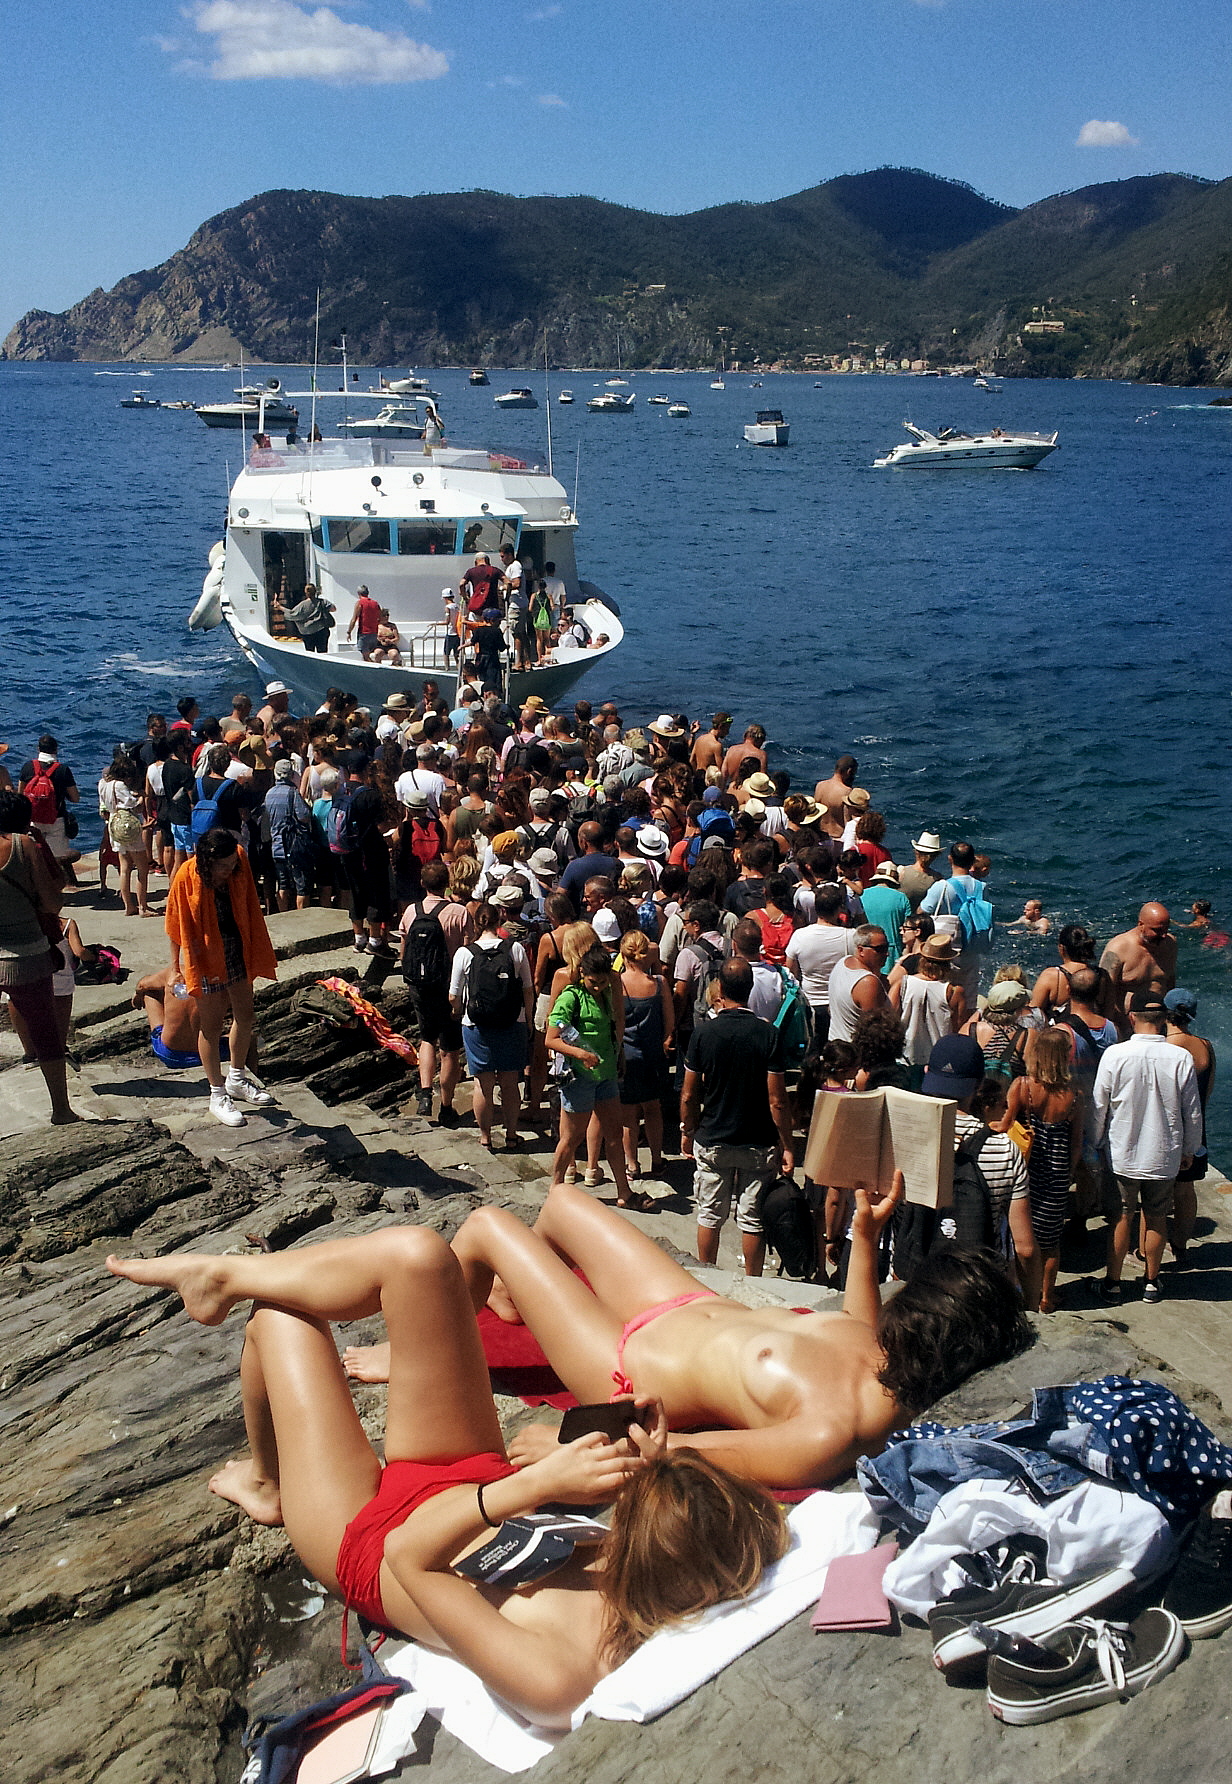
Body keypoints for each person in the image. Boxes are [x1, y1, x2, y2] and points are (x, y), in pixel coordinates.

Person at [106, 1229, 787, 1726]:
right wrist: (626, 1466)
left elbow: (414, 1558)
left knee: (282, 1321)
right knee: (421, 1258)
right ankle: (223, 1273)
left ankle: (267, 1484)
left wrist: (535, 1487)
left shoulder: (563, 1676)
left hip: (373, 1542)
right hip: (471, 1479)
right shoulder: (676, 1552)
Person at [343, 1177, 1033, 1488]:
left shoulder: (834, 1429)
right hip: (681, 1302)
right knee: (559, 1205)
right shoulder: (884, 1350)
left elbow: (685, 1453)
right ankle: (514, 1300)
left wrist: (570, 1441)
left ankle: (420, 1362)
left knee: (487, 1227)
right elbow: (856, 1323)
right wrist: (862, 1236)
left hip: (624, 1362)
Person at [681, 957, 794, 1278]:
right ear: (751, 988)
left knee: (709, 1215)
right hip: (757, 1140)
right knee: (752, 1219)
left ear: (721, 989)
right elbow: (778, 1101)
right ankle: (754, 1283)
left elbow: (689, 1094)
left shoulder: (704, 1034)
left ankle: (708, 1278)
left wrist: (687, 1130)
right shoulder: (768, 1035)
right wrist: (787, 1145)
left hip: (713, 1136)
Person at [1091, 988, 1203, 1306]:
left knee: (1121, 1216)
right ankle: (1152, 1282)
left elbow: (1100, 1105)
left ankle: (1112, 1284)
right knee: (1155, 1217)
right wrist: (1190, 1149)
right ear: (1164, 1018)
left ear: (1132, 1017)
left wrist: (1096, 1140)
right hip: (1164, 1153)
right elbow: (1191, 1111)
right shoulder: (1180, 1057)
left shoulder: (1115, 1054)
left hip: (1122, 1152)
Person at [163, 828, 278, 1128]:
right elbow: (175, 925)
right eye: (223, 866)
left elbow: (250, 903)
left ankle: (237, 1078)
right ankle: (217, 1092)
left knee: (246, 1014)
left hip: (238, 946)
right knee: (211, 1026)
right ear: (207, 861)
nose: (230, 870)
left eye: (232, 865)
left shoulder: (238, 859)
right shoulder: (186, 877)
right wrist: (175, 966)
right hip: (205, 956)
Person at [920, 1035, 1040, 1309]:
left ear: (928, 1073)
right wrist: (1032, 1305)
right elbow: (1025, 1248)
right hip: (977, 1286)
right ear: (977, 1084)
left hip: (916, 1288)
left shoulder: (908, 1135)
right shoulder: (1004, 1149)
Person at [0, 789, 79, 1124]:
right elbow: (53, 903)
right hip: (26, 954)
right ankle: (61, 1110)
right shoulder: (23, 846)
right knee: (46, 1033)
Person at [547, 942, 638, 1208]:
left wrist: (619, 1054)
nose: (598, 987)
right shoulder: (571, 996)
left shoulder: (609, 992)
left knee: (613, 1134)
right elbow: (551, 1040)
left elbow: (615, 1027)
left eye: (602, 982)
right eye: (592, 982)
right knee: (572, 1137)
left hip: (607, 1073)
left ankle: (624, 1191)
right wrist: (580, 1054)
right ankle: (555, 1188)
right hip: (580, 1078)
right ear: (583, 974)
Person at [999, 1029, 1083, 1314]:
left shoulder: (1023, 1087)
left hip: (1026, 1169)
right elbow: (1076, 1144)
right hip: (1057, 1171)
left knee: (1018, 1236)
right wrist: (1069, 1173)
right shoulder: (1074, 1095)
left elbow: (1004, 1123)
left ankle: (1018, 1290)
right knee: (1049, 1241)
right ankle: (1046, 1297)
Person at [449, 901, 533, 1151]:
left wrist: (457, 1013)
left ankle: (485, 1137)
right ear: (500, 921)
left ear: (476, 923)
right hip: (512, 1022)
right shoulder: (515, 949)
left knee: (482, 1085)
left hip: (476, 1025)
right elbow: (528, 989)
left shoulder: (465, 953)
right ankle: (511, 1134)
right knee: (509, 1083)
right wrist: (527, 1019)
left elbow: (453, 995)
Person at [401, 859, 472, 1127]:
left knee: (427, 1038)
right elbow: (467, 951)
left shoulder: (410, 911)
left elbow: (404, 951)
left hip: (419, 985)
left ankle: (424, 1094)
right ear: (448, 883)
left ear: (422, 883)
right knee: (451, 1050)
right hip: (449, 986)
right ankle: (446, 1105)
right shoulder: (459, 912)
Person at [1162, 988, 1216, 1264]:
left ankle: (1148, 1251)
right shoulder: (1205, 1045)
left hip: (1169, 1129)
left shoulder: (1166, 1048)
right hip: (1197, 1128)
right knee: (1186, 1190)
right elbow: (1205, 1092)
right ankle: (1180, 1244)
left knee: (1158, 1195)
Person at [618, 926, 674, 1180]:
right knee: (653, 1109)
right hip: (653, 1056)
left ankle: (631, 1165)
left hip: (625, 1057)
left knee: (629, 1114)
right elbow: (670, 1022)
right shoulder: (659, 984)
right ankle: (657, 1159)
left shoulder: (616, 984)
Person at [784, 884, 855, 1043]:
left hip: (810, 1004)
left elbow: (790, 970)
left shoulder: (800, 936)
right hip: (840, 1006)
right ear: (839, 909)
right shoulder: (851, 937)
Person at [892, 933, 960, 1089]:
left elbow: (890, 1018)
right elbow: (958, 1028)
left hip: (906, 1055)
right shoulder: (953, 991)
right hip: (939, 1059)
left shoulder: (902, 984)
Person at [98, 749, 153, 917]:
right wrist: (143, 798)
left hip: (114, 824)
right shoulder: (121, 785)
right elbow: (133, 805)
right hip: (127, 825)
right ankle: (143, 907)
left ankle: (128, 906)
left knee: (124, 867)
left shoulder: (103, 784)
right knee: (142, 867)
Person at [19, 734, 81, 881]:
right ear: (56, 750)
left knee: (36, 858)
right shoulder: (63, 770)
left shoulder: (28, 767)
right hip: (56, 820)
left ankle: (38, 888)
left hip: (33, 820)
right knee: (55, 859)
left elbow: (20, 795)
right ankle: (55, 888)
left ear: (38, 749)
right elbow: (75, 798)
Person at [1100, 903, 1178, 1016]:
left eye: (1166, 929)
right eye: (1157, 930)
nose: (1164, 936)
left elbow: (1170, 981)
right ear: (1140, 925)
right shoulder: (1118, 948)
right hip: (1126, 1021)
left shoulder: (1170, 944)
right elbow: (1103, 990)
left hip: (1160, 1019)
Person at [264, 758, 315, 911]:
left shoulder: (269, 794)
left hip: (277, 846)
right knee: (302, 886)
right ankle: (301, 918)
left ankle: (283, 916)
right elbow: (304, 816)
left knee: (283, 884)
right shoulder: (292, 793)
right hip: (294, 848)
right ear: (291, 774)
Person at [825, 925, 891, 1044]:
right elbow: (875, 1032)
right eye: (880, 949)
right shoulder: (868, 983)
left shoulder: (843, 962)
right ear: (861, 950)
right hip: (856, 1054)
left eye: (886, 948)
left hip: (836, 1045)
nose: (886, 954)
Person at [859, 861, 911, 966]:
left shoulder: (862, 895)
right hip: (891, 954)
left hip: (864, 950)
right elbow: (908, 928)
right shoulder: (901, 898)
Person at [275, 582, 335, 653]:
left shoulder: (302, 605)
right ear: (315, 591)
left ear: (306, 592)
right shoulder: (322, 602)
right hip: (321, 630)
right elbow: (333, 609)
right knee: (323, 652)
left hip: (308, 633)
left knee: (310, 653)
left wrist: (280, 607)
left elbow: (292, 614)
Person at [896, 829, 943, 911]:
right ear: (936, 856)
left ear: (916, 852)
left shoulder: (901, 871)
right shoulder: (937, 879)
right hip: (921, 921)